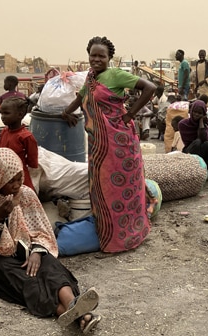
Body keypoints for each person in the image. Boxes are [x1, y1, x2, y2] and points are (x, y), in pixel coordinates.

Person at [0, 148, 101, 333]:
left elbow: (41, 231)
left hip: (28, 249)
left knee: (50, 267)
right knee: (25, 280)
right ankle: (75, 314)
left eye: (19, 178)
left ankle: (72, 304)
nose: (16, 185)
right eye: (10, 180)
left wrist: (37, 251)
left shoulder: (26, 194)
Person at [62, 36, 156, 253]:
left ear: (109, 58)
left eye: (101, 56)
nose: (96, 59)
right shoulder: (91, 78)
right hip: (98, 143)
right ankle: (108, 233)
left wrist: (130, 114)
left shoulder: (115, 75)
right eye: (93, 55)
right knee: (102, 188)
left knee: (121, 187)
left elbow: (150, 87)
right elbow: (81, 98)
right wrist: (66, 112)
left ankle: (125, 237)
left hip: (120, 141)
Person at [178, 99, 208, 195]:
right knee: (198, 142)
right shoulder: (183, 124)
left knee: (207, 143)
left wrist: (201, 123)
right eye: (194, 112)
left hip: (204, 153)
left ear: (204, 114)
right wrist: (200, 127)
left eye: (199, 113)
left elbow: (206, 138)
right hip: (190, 152)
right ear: (191, 111)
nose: (196, 114)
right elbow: (192, 141)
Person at [0, 97, 38, 192]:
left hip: (20, 178)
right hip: (3, 176)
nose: (2, 117)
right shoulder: (4, 132)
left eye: (6, 113)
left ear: (20, 115)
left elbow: (32, 162)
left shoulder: (26, 137)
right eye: (1, 113)